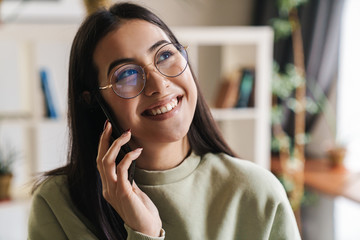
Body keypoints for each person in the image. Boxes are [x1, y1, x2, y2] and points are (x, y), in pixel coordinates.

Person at [28, 2, 301, 240]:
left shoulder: (257, 193)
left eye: (166, 55)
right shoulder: (57, 205)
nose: (159, 85)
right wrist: (144, 232)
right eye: (126, 75)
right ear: (92, 101)